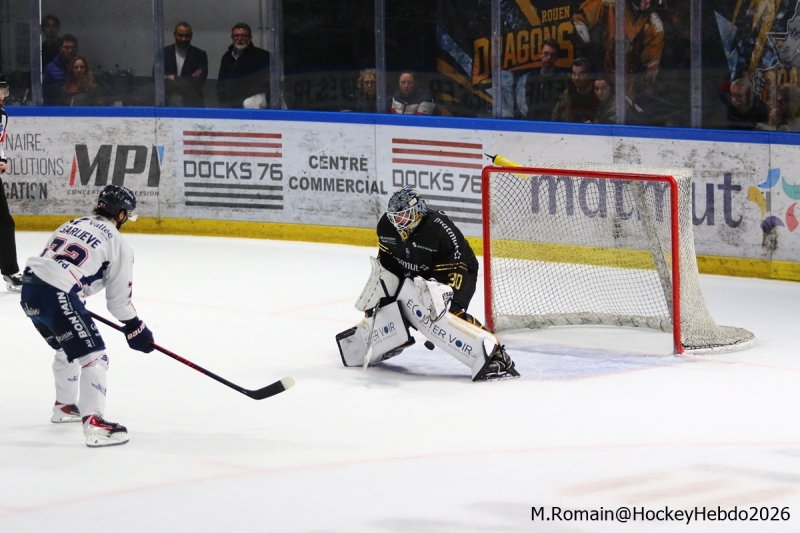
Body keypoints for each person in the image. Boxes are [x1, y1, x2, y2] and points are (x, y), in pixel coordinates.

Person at [20, 185, 155, 448]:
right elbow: (118, 303)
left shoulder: (73, 223)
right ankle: (94, 423)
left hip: (30, 289)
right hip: (57, 293)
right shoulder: (118, 244)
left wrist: (72, 300)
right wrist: (135, 326)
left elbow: (55, 261)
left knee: (65, 349)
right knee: (95, 357)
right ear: (122, 213)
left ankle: (64, 407)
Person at [339, 186, 519, 381]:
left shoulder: (439, 227)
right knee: (395, 301)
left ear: (417, 212)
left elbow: (456, 260)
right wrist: (382, 300)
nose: (398, 222)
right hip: (419, 270)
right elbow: (386, 263)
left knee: (447, 312)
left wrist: (435, 295)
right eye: (395, 217)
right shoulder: (386, 226)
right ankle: (394, 339)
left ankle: (498, 355)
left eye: (403, 216)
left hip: (457, 267)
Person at [572, 0, 664, 102]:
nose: (645, 3)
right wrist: (588, 48)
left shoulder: (655, 27)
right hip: (602, 76)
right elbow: (579, 19)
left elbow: (650, 70)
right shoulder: (610, 4)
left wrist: (640, 92)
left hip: (628, 86)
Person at [0, 75, 22, 292]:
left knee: (4, 223)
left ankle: (10, 271)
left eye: (2, 90)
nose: (1, 95)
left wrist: (2, 160)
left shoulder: (2, 116)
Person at [216, 23, 271, 108]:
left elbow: (266, 83)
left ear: (250, 38)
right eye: (236, 36)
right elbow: (221, 82)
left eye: (244, 36)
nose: (239, 39)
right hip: (231, 105)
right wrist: (222, 102)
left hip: (252, 106)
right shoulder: (227, 57)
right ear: (232, 38)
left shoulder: (262, 56)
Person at [164, 22, 208, 108]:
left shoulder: (200, 55)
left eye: (187, 36)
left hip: (193, 106)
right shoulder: (164, 53)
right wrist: (189, 78)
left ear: (191, 36)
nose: (183, 39)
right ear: (174, 35)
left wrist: (172, 78)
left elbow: (199, 82)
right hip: (167, 105)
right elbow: (157, 78)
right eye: (180, 35)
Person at [522, 39, 569, 121]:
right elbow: (529, 103)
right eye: (546, 54)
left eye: (552, 55)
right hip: (532, 123)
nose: (549, 58)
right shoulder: (532, 76)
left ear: (556, 57)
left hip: (553, 124)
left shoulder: (562, 79)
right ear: (540, 54)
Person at [552, 57, 600, 123]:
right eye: (574, 74)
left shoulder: (599, 93)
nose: (576, 78)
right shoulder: (567, 94)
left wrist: (594, 126)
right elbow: (555, 118)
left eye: (581, 74)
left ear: (590, 75)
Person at [43, 34, 78, 106]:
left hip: (77, 108)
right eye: (66, 47)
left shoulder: (81, 66)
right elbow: (44, 92)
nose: (70, 50)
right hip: (56, 109)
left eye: (73, 47)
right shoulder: (50, 68)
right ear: (61, 49)